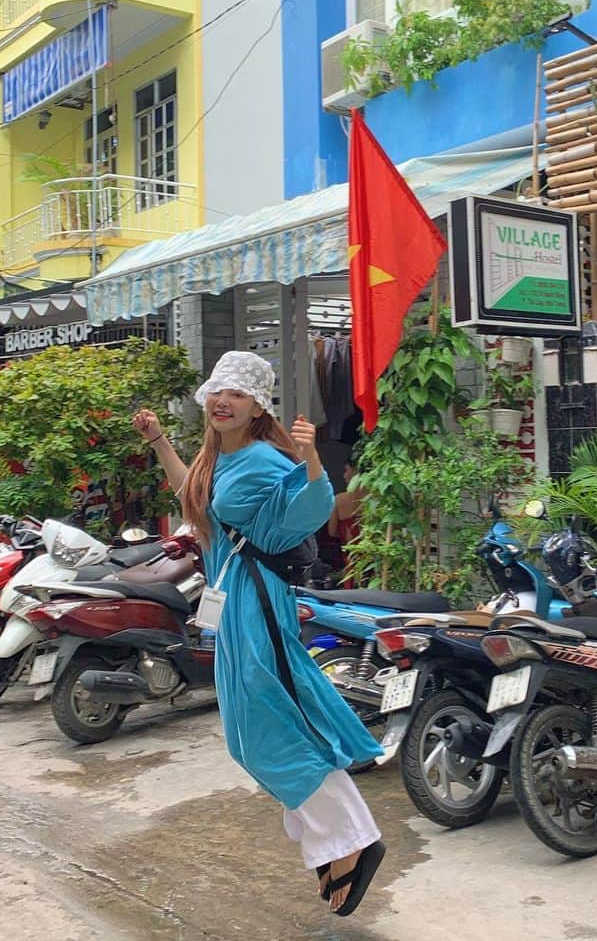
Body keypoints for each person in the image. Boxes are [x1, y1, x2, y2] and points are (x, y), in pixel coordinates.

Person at [132, 351, 385, 917]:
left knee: (272, 724)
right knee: (249, 735)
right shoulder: (218, 457)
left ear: (257, 406)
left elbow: (311, 509)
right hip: (232, 596)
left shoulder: (267, 459)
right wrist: (159, 443)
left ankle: (352, 842)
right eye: (217, 392)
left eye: (238, 394)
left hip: (256, 599)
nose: (223, 401)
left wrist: (313, 459)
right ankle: (334, 839)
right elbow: (195, 503)